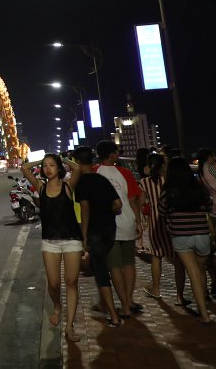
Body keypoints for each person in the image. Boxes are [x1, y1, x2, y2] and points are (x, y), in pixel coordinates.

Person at [22, 153, 83, 342]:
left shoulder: (67, 186)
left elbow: (78, 169)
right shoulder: (41, 187)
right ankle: (57, 305)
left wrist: (62, 159)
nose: (48, 169)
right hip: (49, 241)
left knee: (71, 282)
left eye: (52, 165)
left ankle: (70, 326)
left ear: (59, 168)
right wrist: (40, 160)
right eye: (45, 166)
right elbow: (24, 169)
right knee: (54, 283)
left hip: (72, 239)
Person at [73, 146, 124, 327]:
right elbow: (117, 204)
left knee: (101, 273)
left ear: (78, 163)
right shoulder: (101, 179)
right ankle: (110, 305)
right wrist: (106, 212)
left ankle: (113, 315)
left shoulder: (82, 183)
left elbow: (85, 208)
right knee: (106, 268)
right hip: (110, 230)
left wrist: (85, 235)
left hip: (94, 232)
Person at [158, 157, 213, 323]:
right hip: (202, 234)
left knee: (193, 274)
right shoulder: (199, 189)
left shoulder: (168, 192)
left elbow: (162, 212)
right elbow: (208, 207)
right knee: (201, 271)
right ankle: (204, 299)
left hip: (181, 235)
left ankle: (204, 314)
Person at [95, 140, 144, 319]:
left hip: (106, 226)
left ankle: (124, 305)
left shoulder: (95, 173)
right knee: (129, 262)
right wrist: (138, 222)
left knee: (114, 266)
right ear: (112, 155)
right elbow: (133, 200)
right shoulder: (125, 172)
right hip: (127, 222)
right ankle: (129, 300)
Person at [139, 153, 186, 304]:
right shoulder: (171, 180)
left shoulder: (145, 182)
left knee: (156, 256)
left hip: (155, 222)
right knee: (178, 258)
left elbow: (141, 203)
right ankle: (179, 296)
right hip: (172, 221)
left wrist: (143, 219)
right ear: (163, 165)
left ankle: (156, 289)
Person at [195, 147, 216, 295]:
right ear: (209, 156)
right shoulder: (212, 168)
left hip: (213, 203)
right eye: (213, 155)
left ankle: (206, 289)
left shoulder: (201, 170)